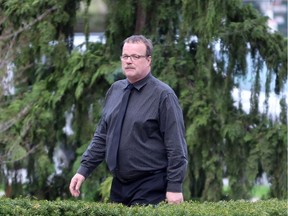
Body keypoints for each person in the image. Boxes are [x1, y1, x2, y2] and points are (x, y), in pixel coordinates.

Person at [69, 35, 188, 206]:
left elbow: (176, 145)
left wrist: (175, 187)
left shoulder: (164, 96)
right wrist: (83, 170)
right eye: (125, 56)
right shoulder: (115, 90)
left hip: (151, 185)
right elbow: (102, 136)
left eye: (135, 57)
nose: (129, 61)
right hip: (119, 186)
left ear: (149, 60)